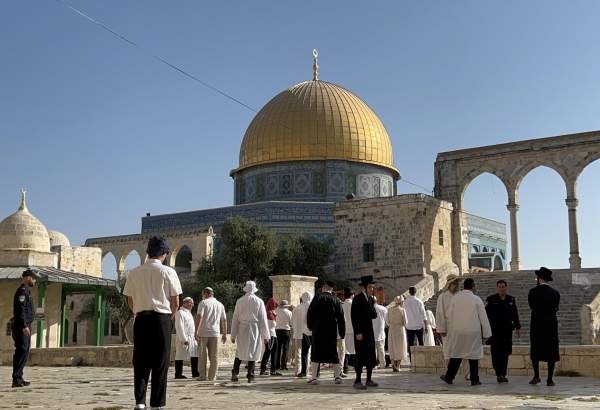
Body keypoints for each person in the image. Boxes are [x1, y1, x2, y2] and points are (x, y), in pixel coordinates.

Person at [123, 236, 182, 410]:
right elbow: (176, 300)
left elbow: (130, 299)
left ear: (148, 252)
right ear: (164, 253)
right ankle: (157, 403)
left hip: (141, 319)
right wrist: (169, 317)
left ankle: (140, 402)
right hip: (161, 319)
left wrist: (137, 313)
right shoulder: (168, 272)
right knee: (160, 362)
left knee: (140, 361)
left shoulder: (134, 272)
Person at [440, 278, 491, 386]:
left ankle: (449, 377)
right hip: (473, 331)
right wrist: (487, 334)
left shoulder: (455, 298)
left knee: (456, 354)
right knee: (474, 356)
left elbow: (449, 315)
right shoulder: (476, 299)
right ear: (473, 286)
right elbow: (483, 317)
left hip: (458, 331)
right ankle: (474, 379)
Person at [306, 281, 346, 384]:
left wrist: (310, 326)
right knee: (333, 352)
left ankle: (314, 377)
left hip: (318, 331)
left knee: (316, 352)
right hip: (331, 331)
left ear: (324, 288)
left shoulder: (317, 298)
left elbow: (310, 313)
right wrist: (342, 332)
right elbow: (341, 317)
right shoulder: (336, 300)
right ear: (331, 289)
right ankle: (337, 376)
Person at [230, 281, 270, 383]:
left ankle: (235, 371)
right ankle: (250, 375)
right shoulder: (259, 301)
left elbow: (235, 318)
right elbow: (263, 319)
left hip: (242, 328)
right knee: (253, 350)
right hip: (254, 328)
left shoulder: (239, 301)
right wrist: (266, 335)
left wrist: (233, 334)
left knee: (240, 350)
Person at [528, 267, 560, 386]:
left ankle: (536, 376)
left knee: (535, 351)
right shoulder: (555, 293)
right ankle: (550, 379)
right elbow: (556, 308)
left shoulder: (532, 292)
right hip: (551, 325)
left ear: (539, 278)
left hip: (537, 324)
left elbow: (531, 306)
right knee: (551, 351)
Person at [485, 280, 521, 383]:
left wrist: (518, 327)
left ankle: (503, 374)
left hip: (507, 331)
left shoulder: (511, 299)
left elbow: (515, 314)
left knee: (505, 353)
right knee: (496, 353)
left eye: (503, 286)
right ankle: (499, 373)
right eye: (500, 287)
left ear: (506, 287)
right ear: (497, 288)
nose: (502, 288)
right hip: (495, 331)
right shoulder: (491, 300)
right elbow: (485, 315)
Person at [351, 275, 378, 390]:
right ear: (365, 287)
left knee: (370, 355)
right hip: (360, 332)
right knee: (360, 356)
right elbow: (354, 317)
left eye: (373, 287)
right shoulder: (357, 299)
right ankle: (357, 380)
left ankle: (369, 379)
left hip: (369, 332)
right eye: (370, 287)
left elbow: (374, 315)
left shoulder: (371, 299)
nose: (372, 289)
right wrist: (358, 332)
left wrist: (370, 304)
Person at [195, 287, 227, 381]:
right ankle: (212, 376)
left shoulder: (203, 303)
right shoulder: (220, 304)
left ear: (206, 293)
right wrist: (224, 333)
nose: (202, 296)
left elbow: (199, 316)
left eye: (202, 294)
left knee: (202, 356)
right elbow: (224, 320)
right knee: (214, 356)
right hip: (215, 333)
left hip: (203, 332)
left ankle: (202, 376)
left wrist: (196, 330)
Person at [11, 268, 37, 388]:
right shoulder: (22, 292)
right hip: (21, 327)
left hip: (25, 326)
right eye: (34, 278)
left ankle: (19, 377)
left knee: (24, 352)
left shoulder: (27, 291)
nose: (35, 281)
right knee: (21, 351)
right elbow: (20, 311)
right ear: (28, 278)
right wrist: (24, 326)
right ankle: (16, 379)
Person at [174, 297, 199, 379]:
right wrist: (184, 339)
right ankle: (178, 374)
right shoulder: (180, 313)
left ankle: (195, 372)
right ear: (184, 303)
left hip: (192, 337)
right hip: (184, 337)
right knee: (180, 356)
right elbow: (179, 327)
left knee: (194, 354)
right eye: (190, 303)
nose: (191, 304)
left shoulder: (189, 313)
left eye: (192, 303)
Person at [436, 276, 460, 358]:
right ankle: (449, 369)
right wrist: (442, 329)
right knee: (448, 350)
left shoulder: (459, 296)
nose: (456, 285)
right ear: (449, 284)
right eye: (454, 283)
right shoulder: (442, 297)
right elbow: (440, 313)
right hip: (448, 327)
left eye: (457, 283)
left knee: (459, 350)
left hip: (459, 326)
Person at [404, 286, 428, 360]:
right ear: (416, 292)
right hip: (418, 325)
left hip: (409, 326)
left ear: (409, 292)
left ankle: (412, 360)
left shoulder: (405, 302)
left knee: (410, 344)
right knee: (421, 342)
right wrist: (426, 326)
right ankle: (422, 359)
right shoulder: (419, 301)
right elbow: (424, 315)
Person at [293, 292, 313, 378]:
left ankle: (298, 370)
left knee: (298, 353)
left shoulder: (297, 308)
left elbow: (292, 321)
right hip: (308, 333)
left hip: (298, 333)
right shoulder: (311, 307)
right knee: (307, 352)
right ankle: (307, 370)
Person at [386, 296, 408, 372]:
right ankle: (398, 365)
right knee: (400, 347)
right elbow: (405, 322)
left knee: (392, 346)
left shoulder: (389, 310)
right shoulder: (402, 310)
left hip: (392, 329)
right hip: (400, 329)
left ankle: (393, 364)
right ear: (401, 302)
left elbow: (387, 322)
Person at [260, 297, 280, 376]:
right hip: (270, 335)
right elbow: (270, 325)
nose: (276, 306)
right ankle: (263, 369)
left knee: (274, 353)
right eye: (274, 304)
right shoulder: (268, 313)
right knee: (268, 352)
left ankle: (273, 370)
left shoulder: (272, 312)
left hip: (273, 334)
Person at [275, 300, 293, 371]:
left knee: (278, 349)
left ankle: (277, 365)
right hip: (286, 331)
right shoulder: (289, 313)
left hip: (277, 331)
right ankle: (283, 365)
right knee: (285, 348)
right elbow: (291, 323)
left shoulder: (276, 311)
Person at [341, 287, 355, 376]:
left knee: (345, 348)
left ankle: (345, 367)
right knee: (355, 348)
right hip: (354, 329)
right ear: (352, 295)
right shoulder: (355, 304)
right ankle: (355, 365)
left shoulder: (341, 305)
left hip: (345, 329)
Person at [373, 297, 387, 369]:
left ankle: (373, 364)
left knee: (373, 350)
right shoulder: (383, 309)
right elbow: (386, 319)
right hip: (381, 332)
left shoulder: (368, 309)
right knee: (381, 350)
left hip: (371, 333)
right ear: (376, 301)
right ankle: (382, 364)